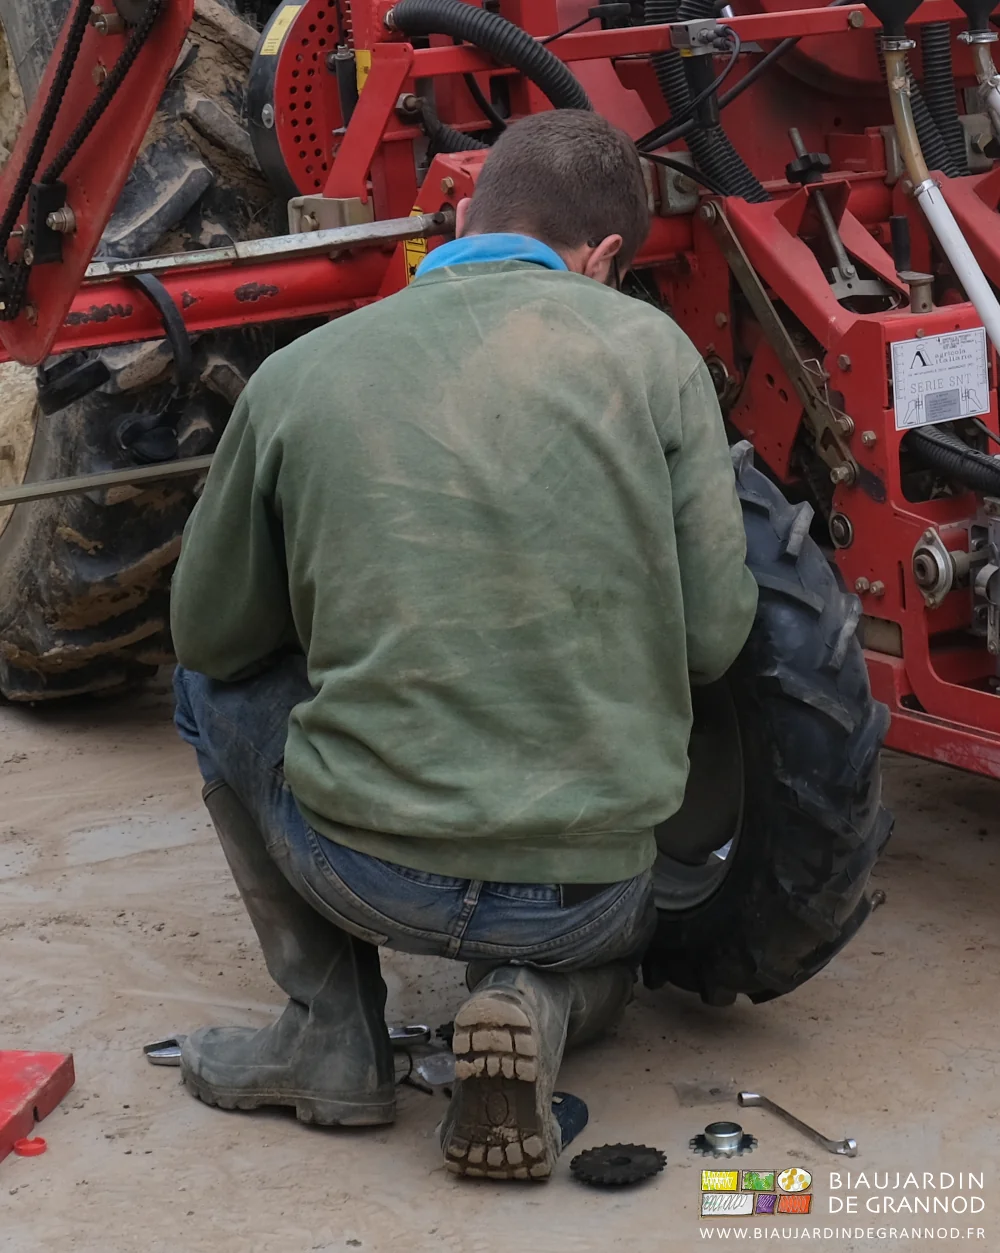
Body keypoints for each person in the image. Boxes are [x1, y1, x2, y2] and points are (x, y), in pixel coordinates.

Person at [170, 108, 758, 1180]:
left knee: (201, 686)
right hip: (591, 891)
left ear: (460, 220)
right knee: (604, 953)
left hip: (365, 870)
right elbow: (717, 638)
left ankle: (329, 1031)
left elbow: (212, 632)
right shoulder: (655, 355)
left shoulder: (303, 370)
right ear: (605, 257)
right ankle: (533, 999)